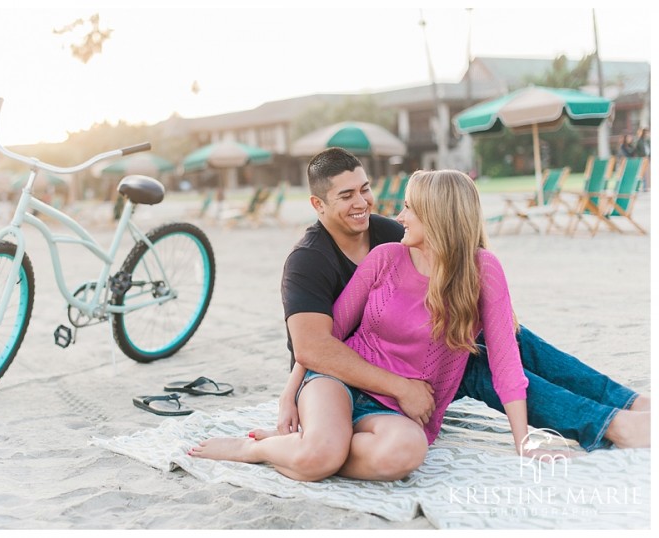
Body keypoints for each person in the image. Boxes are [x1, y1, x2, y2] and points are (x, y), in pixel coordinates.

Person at [190, 149, 650, 482]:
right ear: (320, 204)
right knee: (319, 455)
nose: (376, 207)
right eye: (347, 195)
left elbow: (508, 362)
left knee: (507, 337)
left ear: (436, 218)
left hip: (427, 377)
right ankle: (260, 450)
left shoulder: (411, 241)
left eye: (367, 190)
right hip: (342, 375)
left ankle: (623, 409)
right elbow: (322, 341)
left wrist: (522, 440)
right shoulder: (333, 258)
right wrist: (289, 395)